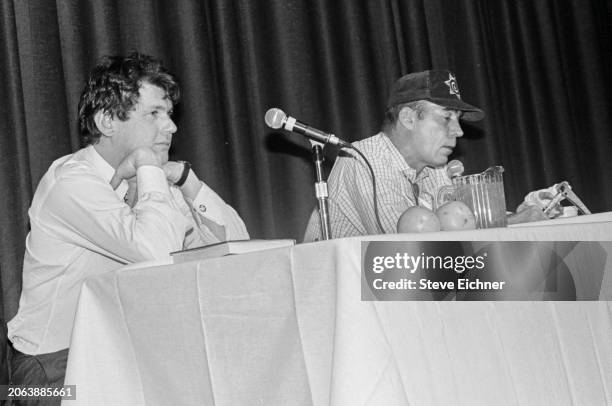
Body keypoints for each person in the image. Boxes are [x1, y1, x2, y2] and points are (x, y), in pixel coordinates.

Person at [7, 52, 249, 403]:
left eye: (169, 114)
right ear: (107, 121)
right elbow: (154, 251)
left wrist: (187, 179)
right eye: (154, 114)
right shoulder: (70, 183)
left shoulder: (157, 183)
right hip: (51, 370)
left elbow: (238, 246)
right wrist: (150, 168)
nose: (171, 127)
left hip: (124, 353)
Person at [303, 69, 546, 241]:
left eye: (458, 120)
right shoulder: (362, 158)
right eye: (446, 117)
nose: (459, 131)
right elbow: (410, 243)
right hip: (347, 299)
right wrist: (516, 223)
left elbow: (459, 223)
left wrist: (526, 211)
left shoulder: (435, 166)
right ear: (408, 118)